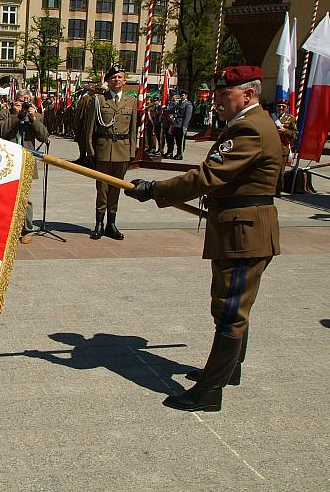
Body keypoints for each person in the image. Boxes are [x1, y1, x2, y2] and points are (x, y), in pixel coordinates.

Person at [125, 66, 281, 412]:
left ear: (248, 95)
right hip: (239, 226)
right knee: (232, 304)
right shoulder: (248, 124)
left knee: (231, 308)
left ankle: (210, 391)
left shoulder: (250, 128)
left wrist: (156, 190)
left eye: (225, 95)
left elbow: (210, 175)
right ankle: (228, 371)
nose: (217, 102)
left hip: (244, 232)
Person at [81, 65, 137, 241]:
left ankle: (111, 224)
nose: (117, 80)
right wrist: (90, 150)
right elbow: (89, 129)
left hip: (122, 150)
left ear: (125, 80)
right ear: (108, 81)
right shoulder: (98, 101)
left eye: (120, 77)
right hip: (103, 150)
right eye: (113, 77)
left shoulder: (131, 101)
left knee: (116, 189)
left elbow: (133, 129)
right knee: (102, 190)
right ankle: (99, 224)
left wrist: (132, 151)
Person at [0, 89, 49, 244]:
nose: (24, 103)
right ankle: (5, 228)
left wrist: (33, 119)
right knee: (6, 196)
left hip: (26, 160)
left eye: (26, 100)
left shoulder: (36, 115)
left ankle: (27, 229)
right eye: (20, 100)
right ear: (14, 100)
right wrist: (16, 116)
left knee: (25, 197)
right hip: (8, 161)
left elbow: (44, 136)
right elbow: (0, 132)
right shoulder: (6, 113)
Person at [271, 99, 298, 192]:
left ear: (287, 108)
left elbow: (295, 134)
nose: (281, 108)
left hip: (282, 148)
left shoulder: (291, 119)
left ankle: (277, 190)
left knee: (280, 171)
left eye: (283, 106)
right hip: (270, 147)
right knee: (270, 169)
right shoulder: (271, 117)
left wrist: (284, 131)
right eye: (279, 106)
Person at [172, 90, 194, 160]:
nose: (181, 97)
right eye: (181, 95)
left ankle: (180, 154)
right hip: (176, 123)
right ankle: (177, 153)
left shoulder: (188, 104)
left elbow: (187, 116)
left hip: (181, 124)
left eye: (183, 95)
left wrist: (185, 126)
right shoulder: (179, 103)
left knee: (181, 140)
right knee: (177, 140)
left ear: (186, 96)